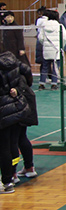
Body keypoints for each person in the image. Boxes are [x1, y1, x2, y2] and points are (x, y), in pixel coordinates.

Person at [0, 51, 33, 194]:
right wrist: (17, 91)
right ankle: (10, 178)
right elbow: (26, 77)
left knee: (5, 147)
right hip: (16, 108)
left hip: (4, 109)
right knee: (12, 144)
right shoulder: (14, 63)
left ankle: (8, 180)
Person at [38, 10, 66, 90]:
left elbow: (40, 38)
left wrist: (45, 44)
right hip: (56, 50)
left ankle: (41, 84)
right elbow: (65, 38)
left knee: (45, 67)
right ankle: (54, 84)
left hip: (46, 50)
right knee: (55, 68)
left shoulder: (44, 26)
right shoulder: (60, 26)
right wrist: (61, 46)